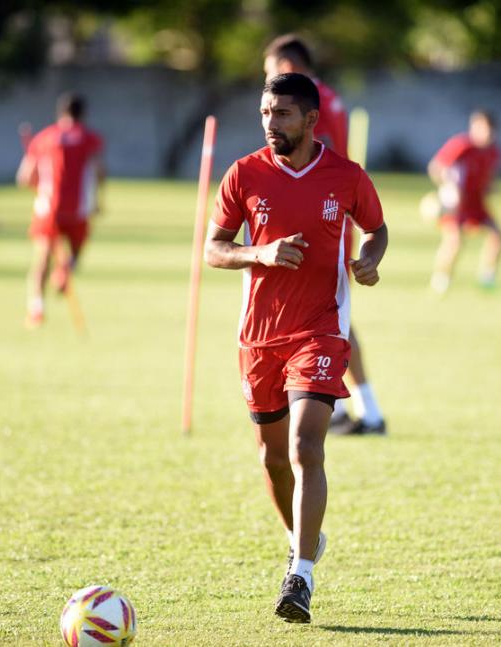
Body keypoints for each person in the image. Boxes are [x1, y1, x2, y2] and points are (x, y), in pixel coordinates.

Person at [205, 73, 388, 623]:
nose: (270, 123)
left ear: (310, 121)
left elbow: (377, 229)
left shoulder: (347, 177)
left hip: (321, 330)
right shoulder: (243, 173)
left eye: (282, 114)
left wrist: (371, 259)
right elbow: (213, 250)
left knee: (308, 446)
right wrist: (258, 253)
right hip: (258, 337)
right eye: (265, 112)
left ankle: (300, 576)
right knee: (272, 457)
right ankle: (301, 539)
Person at [263, 33, 386, 435]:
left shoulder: (311, 102)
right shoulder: (328, 96)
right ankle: (346, 409)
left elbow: (314, 157)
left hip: (318, 219)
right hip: (329, 216)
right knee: (326, 316)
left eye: (270, 73)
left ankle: (363, 410)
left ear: (285, 68)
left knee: (329, 317)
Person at [15, 93, 105, 328]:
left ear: (60, 112)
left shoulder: (44, 138)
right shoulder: (89, 139)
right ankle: (64, 272)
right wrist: (99, 200)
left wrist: (39, 186)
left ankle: (36, 309)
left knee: (42, 258)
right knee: (75, 251)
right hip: (79, 208)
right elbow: (98, 171)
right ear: (82, 114)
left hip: (49, 208)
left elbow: (24, 177)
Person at [427, 110, 501, 293]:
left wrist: (490, 187)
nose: (486, 133)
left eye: (489, 129)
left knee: (499, 236)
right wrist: (448, 187)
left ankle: (487, 278)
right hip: (457, 204)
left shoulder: (494, 152)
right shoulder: (461, 145)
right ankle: (441, 279)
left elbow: (488, 177)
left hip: (477, 203)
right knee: (454, 241)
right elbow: (436, 167)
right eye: (481, 127)